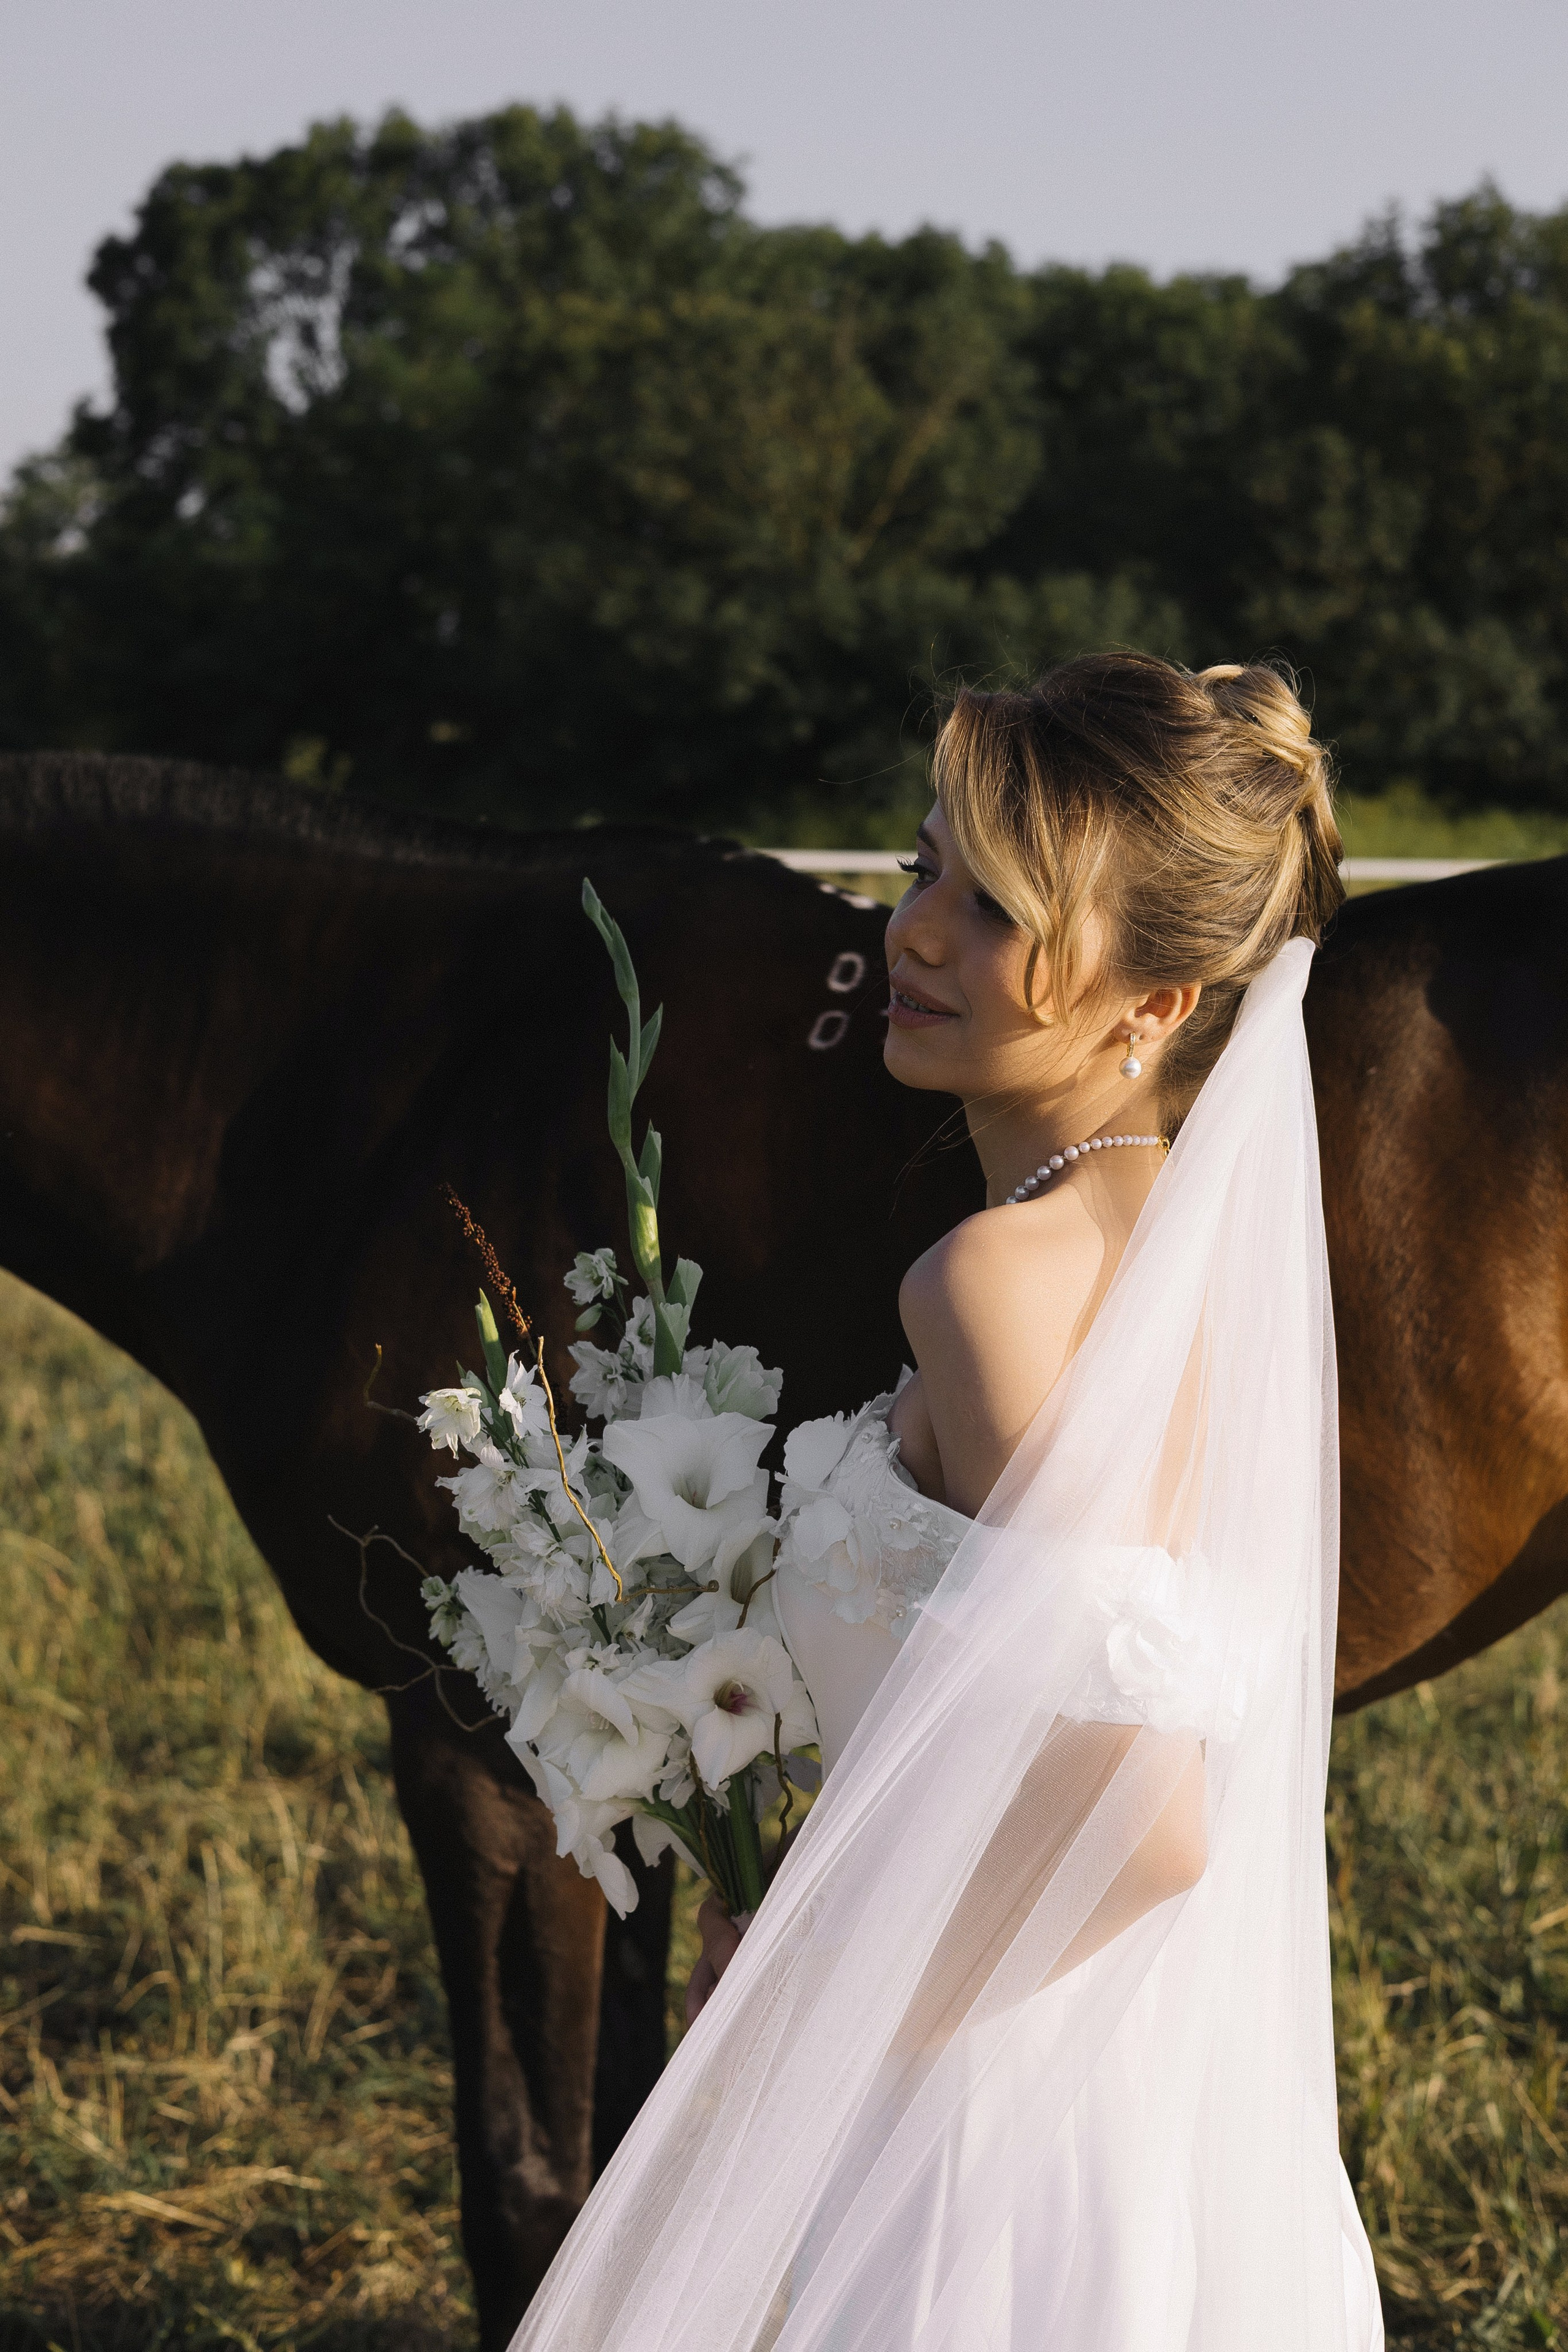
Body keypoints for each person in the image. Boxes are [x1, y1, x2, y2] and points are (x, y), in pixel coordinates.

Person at [513, 651, 1385, 2351]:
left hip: (983, 2121)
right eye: (924, 866)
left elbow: (1144, 1819)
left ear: (1158, 1003)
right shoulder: (1191, 1263)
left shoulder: (994, 1285)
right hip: (1150, 2098)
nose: (912, 930)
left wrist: (797, 2011)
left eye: (993, 906)